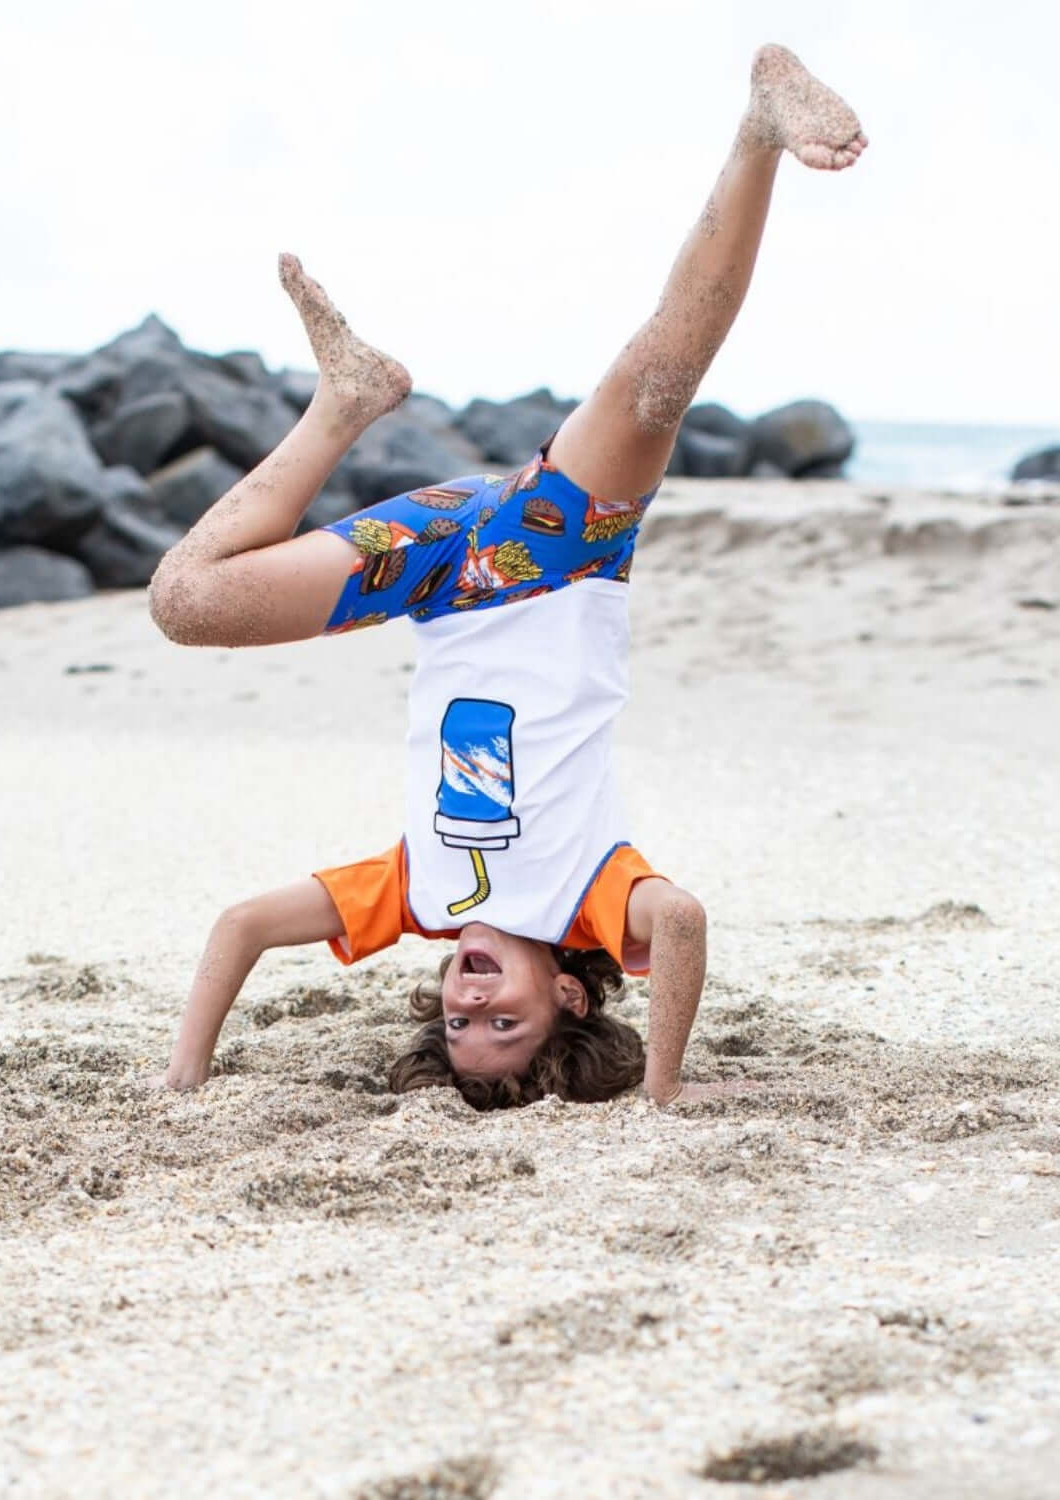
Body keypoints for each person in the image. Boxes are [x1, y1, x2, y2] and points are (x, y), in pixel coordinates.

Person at [145, 44, 867, 1108]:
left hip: (437, 572)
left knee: (185, 601)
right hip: (554, 555)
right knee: (660, 376)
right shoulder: (593, 903)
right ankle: (759, 130)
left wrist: (185, 1072)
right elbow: (681, 922)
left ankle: (347, 399)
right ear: (568, 997)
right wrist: (664, 1088)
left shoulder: (415, 896)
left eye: (458, 1021)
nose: (472, 999)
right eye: (504, 1022)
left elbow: (242, 925)